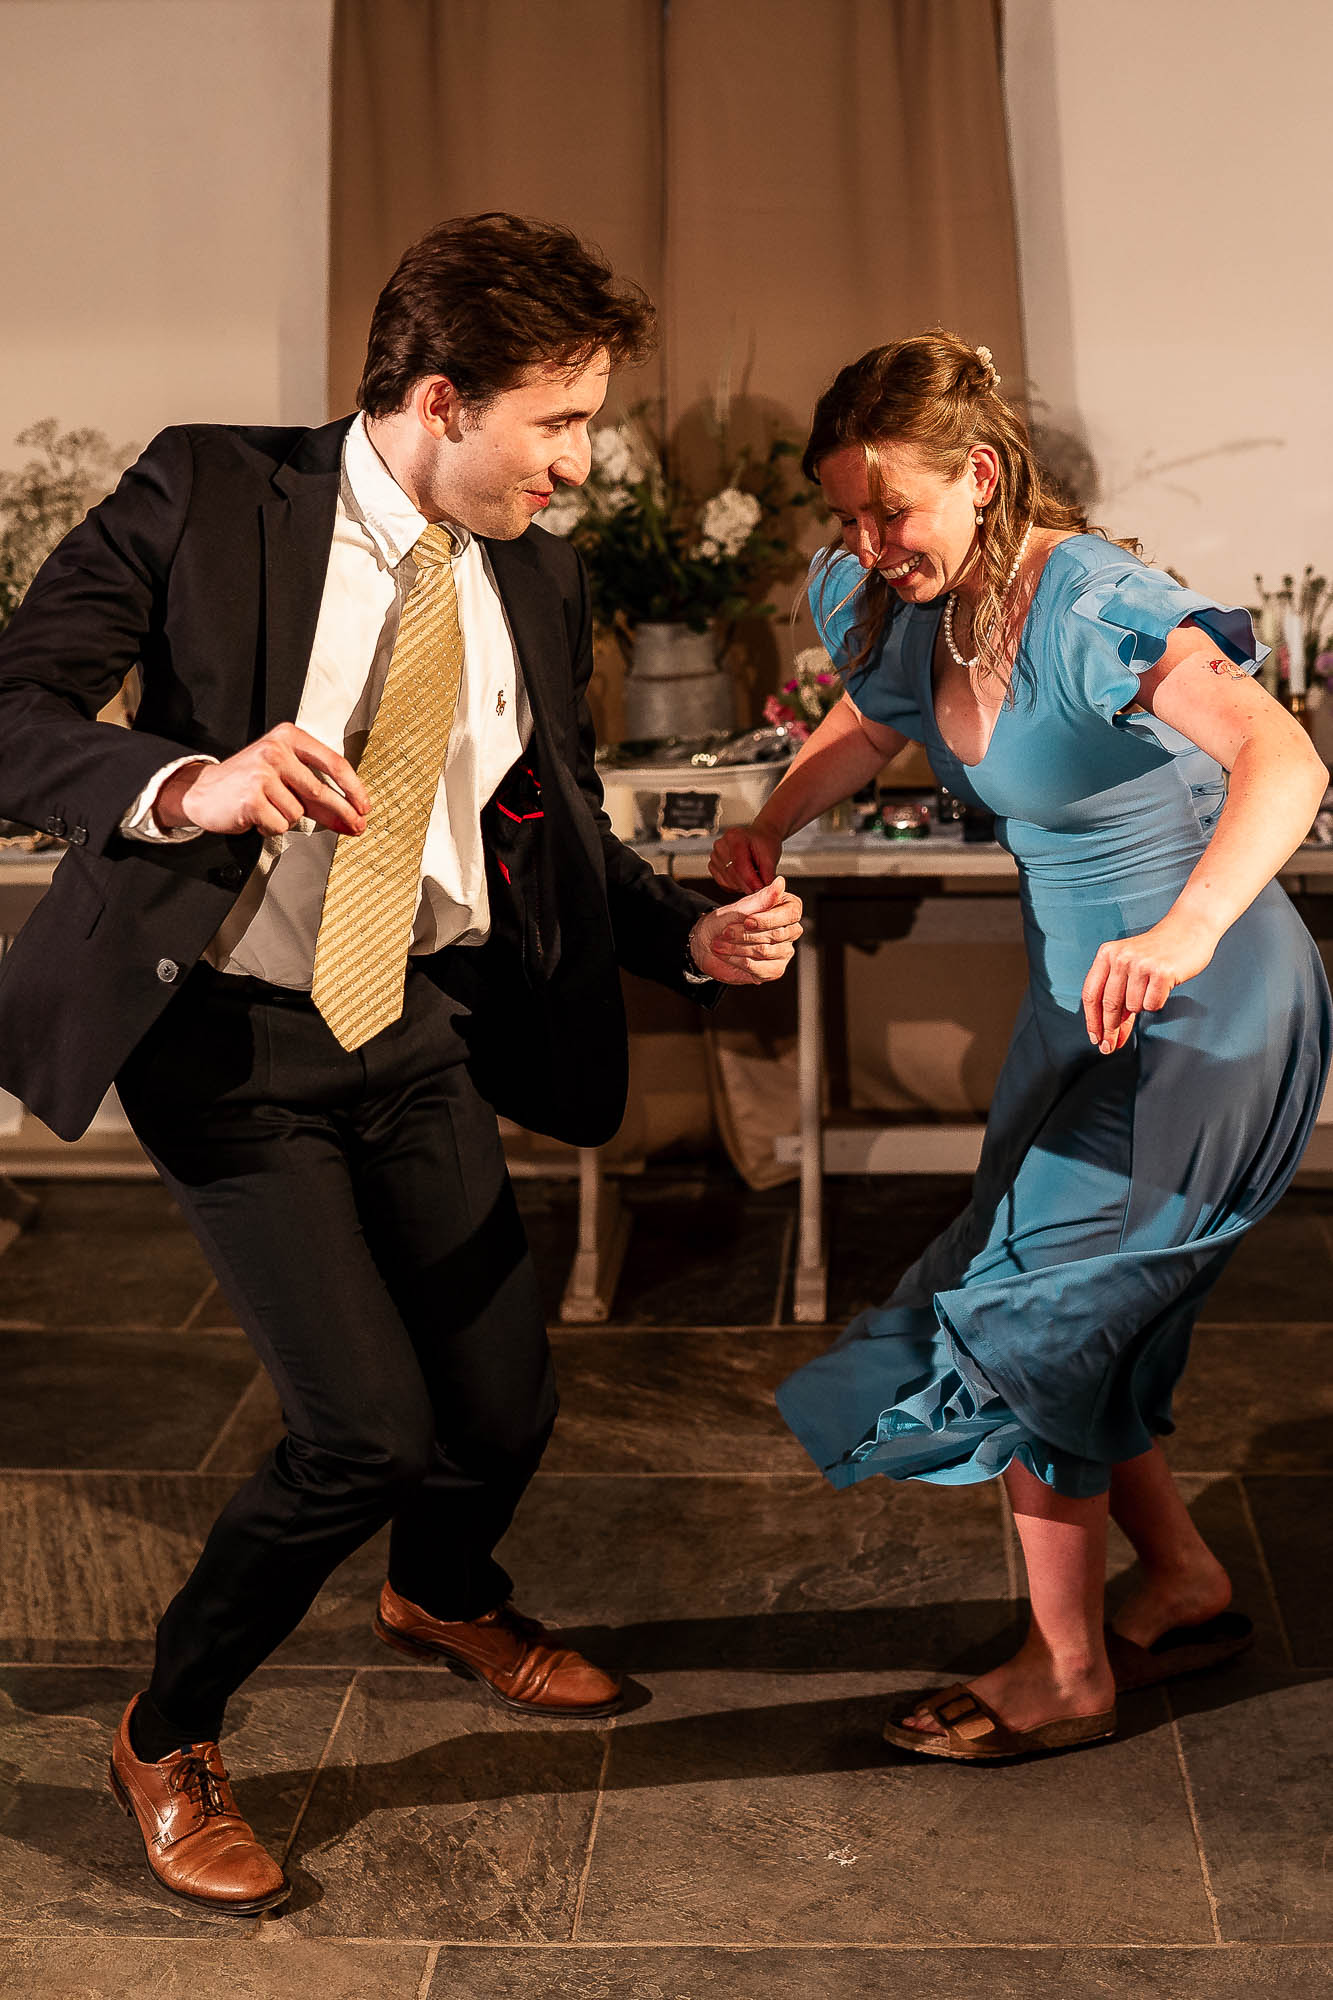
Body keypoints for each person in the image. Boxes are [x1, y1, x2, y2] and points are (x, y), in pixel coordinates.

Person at [0, 212, 802, 1911]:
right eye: (559, 423)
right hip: (226, 1040)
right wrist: (187, 783)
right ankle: (169, 1729)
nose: (581, 462)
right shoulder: (210, 492)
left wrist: (684, 941)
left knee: (504, 1402)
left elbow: (552, 820)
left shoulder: (530, 565)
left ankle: (443, 1594)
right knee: (359, 1432)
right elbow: (15, 708)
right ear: (443, 398)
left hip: (416, 1023)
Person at [711, 332, 1330, 1763]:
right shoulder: (896, 597)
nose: (865, 546)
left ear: (978, 478)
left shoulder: (1091, 603)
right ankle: (1176, 1581)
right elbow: (867, 733)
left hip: (1209, 1005)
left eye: (891, 513)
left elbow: (1282, 757)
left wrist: (1178, 931)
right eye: (845, 517)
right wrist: (772, 816)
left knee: (1034, 1322)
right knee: (1072, 1310)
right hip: (1081, 1012)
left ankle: (1067, 1672)